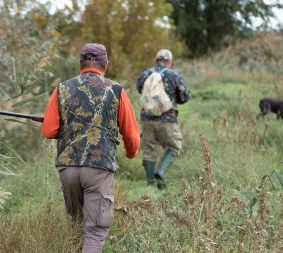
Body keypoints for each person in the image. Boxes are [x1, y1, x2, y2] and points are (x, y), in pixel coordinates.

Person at [41, 43, 140, 253]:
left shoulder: (62, 88)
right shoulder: (116, 90)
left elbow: (49, 131)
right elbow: (132, 135)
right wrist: (131, 153)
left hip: (68, 169)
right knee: (94, 231)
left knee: (78, 228)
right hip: (99, 168)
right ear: (106, 64)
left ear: (80, 64)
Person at [136, 49, 190, 189]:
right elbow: (185, 97)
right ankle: (160, 171)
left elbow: (139, 90)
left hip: (147, 119)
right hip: (167, 119)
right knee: (174, 146)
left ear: (156, 60)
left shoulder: (145, 74)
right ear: (169, 61)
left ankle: (151, 183)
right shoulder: (174, 75)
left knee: (149, 151)